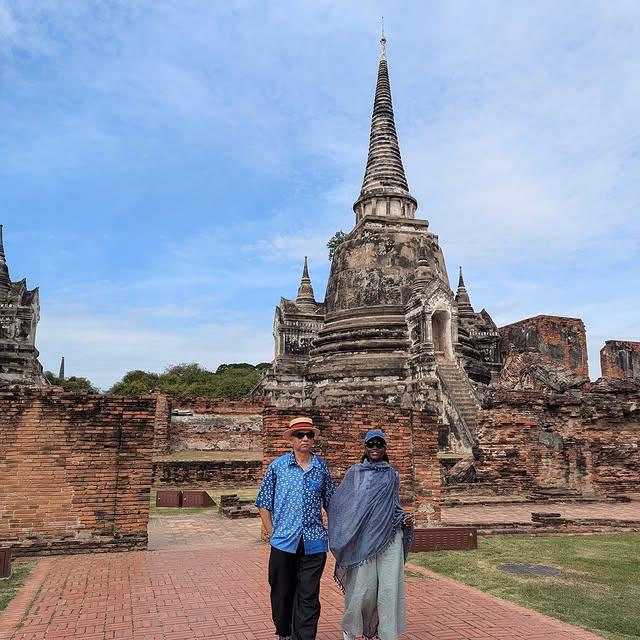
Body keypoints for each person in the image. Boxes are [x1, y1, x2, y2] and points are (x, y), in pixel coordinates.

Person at [328, 429, 414, 640]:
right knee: (362, 589)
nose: (375, 448)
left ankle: (387, 633)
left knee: (388, 589)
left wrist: (404, 518)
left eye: (379, 444)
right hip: (364, 538)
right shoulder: (356, 473)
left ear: (385, 448)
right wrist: (348, 530)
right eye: (371, 444)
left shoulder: (392, 475)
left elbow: (394, 506)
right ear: (365, 448)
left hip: (389, 536)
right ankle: (351, 628)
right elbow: (342, 504)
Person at [255, 416, 335, 640]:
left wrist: (337, 532)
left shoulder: (321, 468)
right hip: (283, 541)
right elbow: (264, 502)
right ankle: (284, 633)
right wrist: (272, 534)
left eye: (309, 435)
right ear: (291, 439)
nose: (306, 439)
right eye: (300, 435)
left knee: (308, 594)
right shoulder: (278, 467)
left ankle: (305, 636)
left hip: (314, 541)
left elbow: (331, 503)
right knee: (281, 593)